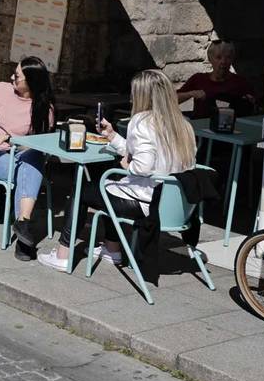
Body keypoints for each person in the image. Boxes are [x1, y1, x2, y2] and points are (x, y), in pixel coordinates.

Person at [39, 70, 197, 271]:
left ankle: (63, 255)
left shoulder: (141, 122)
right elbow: (148, 154)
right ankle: (112, 249)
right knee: (109, 183)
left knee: (82, 190)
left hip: (144, 202)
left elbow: (143, 165)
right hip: (174, 206)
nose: (131, 98)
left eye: (134, 93)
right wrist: (112, 136)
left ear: (142, 96)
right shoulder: (184, 125)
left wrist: (127, 166)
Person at [0, 56, 55, 261]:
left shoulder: (44, 108)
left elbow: (40, 145)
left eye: (17, 76)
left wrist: (12, 139)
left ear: (31, 82)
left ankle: (23, 224)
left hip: (20, 157)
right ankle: (24, 232)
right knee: (28, 166)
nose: (11, 78)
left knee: (31, 158)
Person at [176, 40, 257, 119]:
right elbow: (173, 99)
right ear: (210, 59)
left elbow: (255, 107)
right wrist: (191, 94)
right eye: (218, 57)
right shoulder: (198, 79)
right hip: (201, 128)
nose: (223, 61)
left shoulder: (240, 82)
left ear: (232, 60)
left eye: (228, 57)